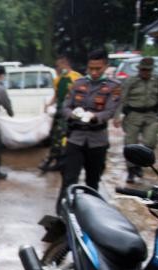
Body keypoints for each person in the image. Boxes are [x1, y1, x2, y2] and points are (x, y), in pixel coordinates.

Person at [59, 49, 121, 205]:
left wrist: (95, 117)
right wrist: (72, 114)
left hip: (97, 141)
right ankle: (61, 215)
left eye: (98, 68)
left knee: (92, 182)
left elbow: (110, 111)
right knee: (68, 179)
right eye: (90, 68)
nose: (93, 72)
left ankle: (90, 215)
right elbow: (65, 107)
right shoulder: (78, 84)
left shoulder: (114, 86)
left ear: (105, 66)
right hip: (76, 138)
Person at [116, 56, 158, 183]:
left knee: (150, 141)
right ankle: (131, 170)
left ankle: (140, 164)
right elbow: (122, 99)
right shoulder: (131, 81)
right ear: (139, 69)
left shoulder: (156, 81)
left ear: (151, 70)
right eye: (143, 70)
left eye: (148, 70)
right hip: (134, 115)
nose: (145, 72)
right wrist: (117, 116)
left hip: (151, 114)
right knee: (130, 143)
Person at [39, 56, 82, 173]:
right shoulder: (58, 79)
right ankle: (56, 160)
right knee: (55, 136)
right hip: (59, 112)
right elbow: (56, 95)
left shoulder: (77, 78)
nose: (57, 68)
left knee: (64, 137)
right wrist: (48, 104)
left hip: (70, 113)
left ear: (65, 64)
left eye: (58, 66)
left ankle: (63, 162)